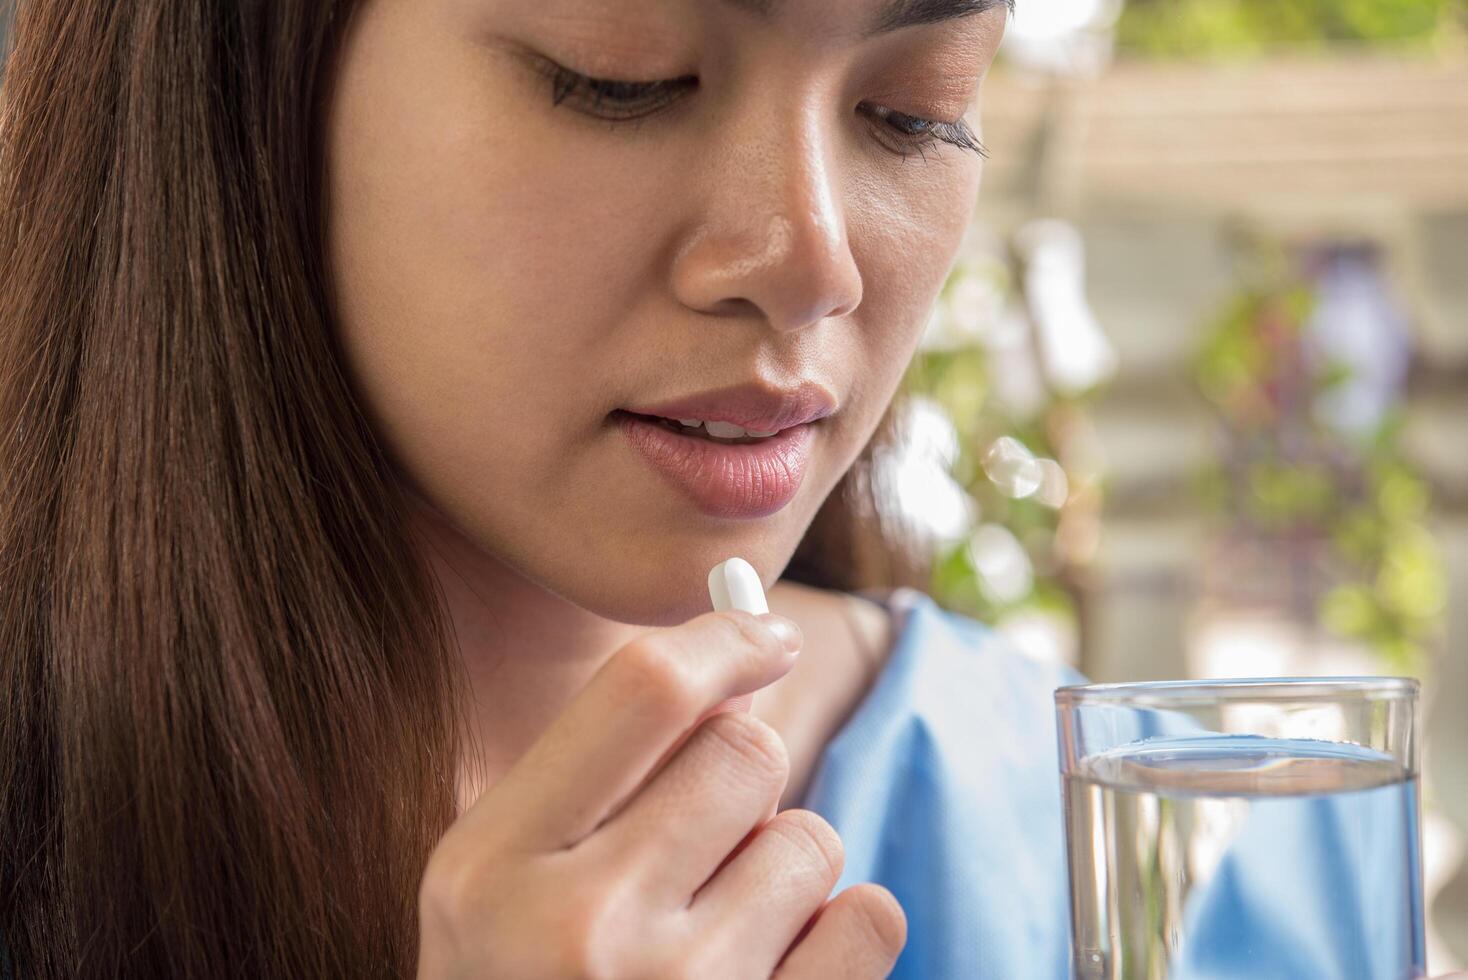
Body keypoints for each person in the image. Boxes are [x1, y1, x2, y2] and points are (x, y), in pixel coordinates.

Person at [4, 1, 1455, 978]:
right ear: (239, 86)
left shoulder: (1191, 871)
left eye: (914, 111)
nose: (811, 258)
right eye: (621, 74)